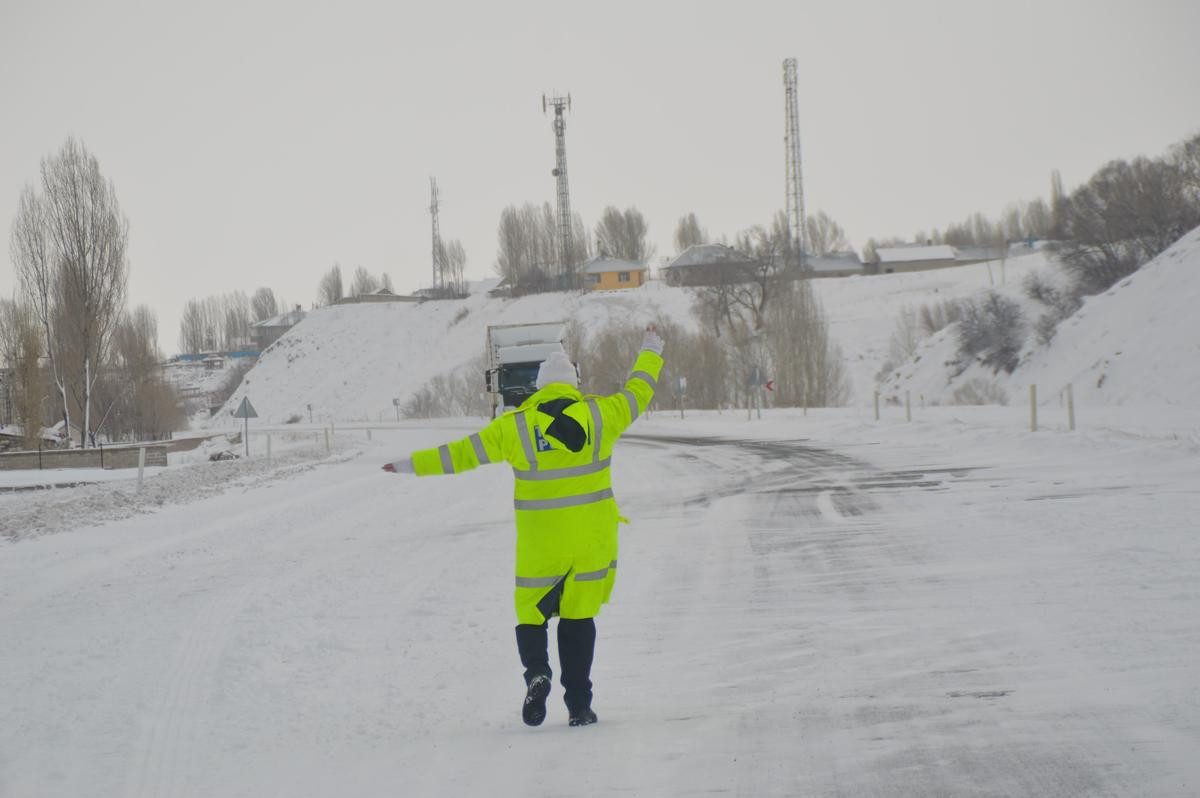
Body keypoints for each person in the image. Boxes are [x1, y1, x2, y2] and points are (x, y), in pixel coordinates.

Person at [382, 323, 665, 727]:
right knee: (578, 620)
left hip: (541, 543)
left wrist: (409, 465)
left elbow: (461, 454)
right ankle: (579, 707)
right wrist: (651, 347)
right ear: (574, 385)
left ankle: (537, 673)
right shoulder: (602, 415)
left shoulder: (513, 427)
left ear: (539, 387)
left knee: (530, 614)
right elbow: (639, 391)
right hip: (591, 542)